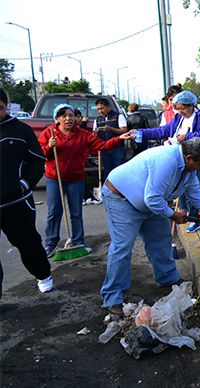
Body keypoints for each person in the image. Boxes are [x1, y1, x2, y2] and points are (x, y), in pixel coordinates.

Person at [100, 138, 200, 316]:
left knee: (161, 240)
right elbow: (152, 198)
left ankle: (167, 279)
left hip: (153, 203)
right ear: (188, 158)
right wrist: (172, 215)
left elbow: (194, 192)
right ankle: (112, 298)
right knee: (122, 247)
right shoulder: (166, 161)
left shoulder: (189, 168)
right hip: (122, 199)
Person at [38, 104, 129, 257]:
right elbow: (39, 154)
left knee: (76, 211)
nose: (68, 118)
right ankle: (50, 243)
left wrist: (119, 138)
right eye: (64, 115)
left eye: (71, 115)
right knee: (54, 211)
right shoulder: (50, 133)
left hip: (76, 178)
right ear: (57, 119)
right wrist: (48, 146)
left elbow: (103, 146)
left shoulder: (83, 134)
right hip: (55, 178)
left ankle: (78, 241)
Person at [136, 91, 200, 235]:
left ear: (192, 105)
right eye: (178, 108)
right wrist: (140, 133)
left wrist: (188, 136)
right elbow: (162, 131)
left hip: (198, 160)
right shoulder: (178, 118)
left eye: (183, 108)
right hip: (183, 160)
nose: (180, 111)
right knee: (185, 191)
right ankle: (195, 219)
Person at [0, 87, 53, 295]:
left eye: (0, 108)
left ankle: (43, 274)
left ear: (5, 106)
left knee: (28, 243)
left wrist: (24, 184)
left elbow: (37, 159)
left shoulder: (20, 130)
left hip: (16, 203)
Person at [93, 98, 127, 181]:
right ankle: (108, 191)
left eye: (102, 108)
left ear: (108, 107)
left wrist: (111, 129)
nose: (100, 111)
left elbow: (124, 130)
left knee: (119, 170)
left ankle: (120, 189)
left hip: (117, 148)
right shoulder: (97, 120)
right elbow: (94, 133)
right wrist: (95, 134)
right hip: (104, 149)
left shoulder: (118, 116)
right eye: (98, 109)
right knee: (107, 171)